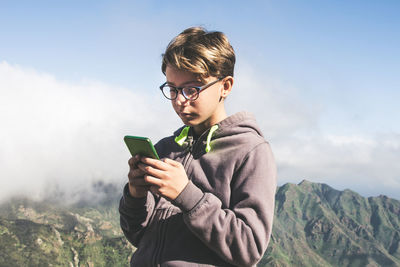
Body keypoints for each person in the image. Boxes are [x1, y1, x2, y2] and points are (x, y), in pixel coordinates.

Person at [119, 26, 277, 267]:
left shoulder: (250, 152)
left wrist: (187, 195)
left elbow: (249, 248)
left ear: (225, 86)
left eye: (192, 89)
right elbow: (138, 235)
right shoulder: (166, 149)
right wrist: (135, 194)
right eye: (172, 89)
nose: (180, 101)